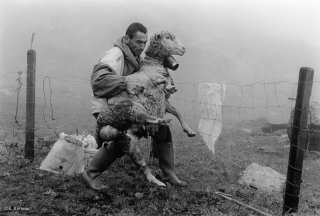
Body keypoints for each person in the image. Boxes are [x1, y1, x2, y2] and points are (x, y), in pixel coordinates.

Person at [83, 22, 187, 191]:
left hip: (127, 103)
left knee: (161, 128)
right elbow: (99, 81)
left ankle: (170, 175)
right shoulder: (114, 55)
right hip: (107, 105)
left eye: (144, 43)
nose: (141, 46)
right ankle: (91, 173)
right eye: (138, 42)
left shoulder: (133, 55)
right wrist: (125, 82)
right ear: (126, 39)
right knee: (123, 138)